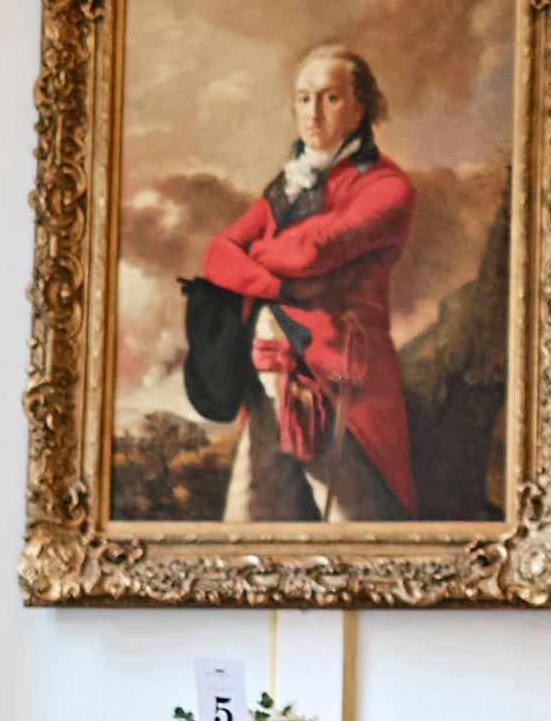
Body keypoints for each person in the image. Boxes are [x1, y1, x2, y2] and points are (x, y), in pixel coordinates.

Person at [177, 43, 420, 518]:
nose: (314, 113)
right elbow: (217, 254)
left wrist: (257, 255)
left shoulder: (386, 186)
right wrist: (280, 287)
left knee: (355, 524)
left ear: (361, 105)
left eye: (330, 98)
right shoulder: (287, 187)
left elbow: (314, 250)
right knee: (252, 526)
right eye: (304, 99)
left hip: (339, 377)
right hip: (266, 376)